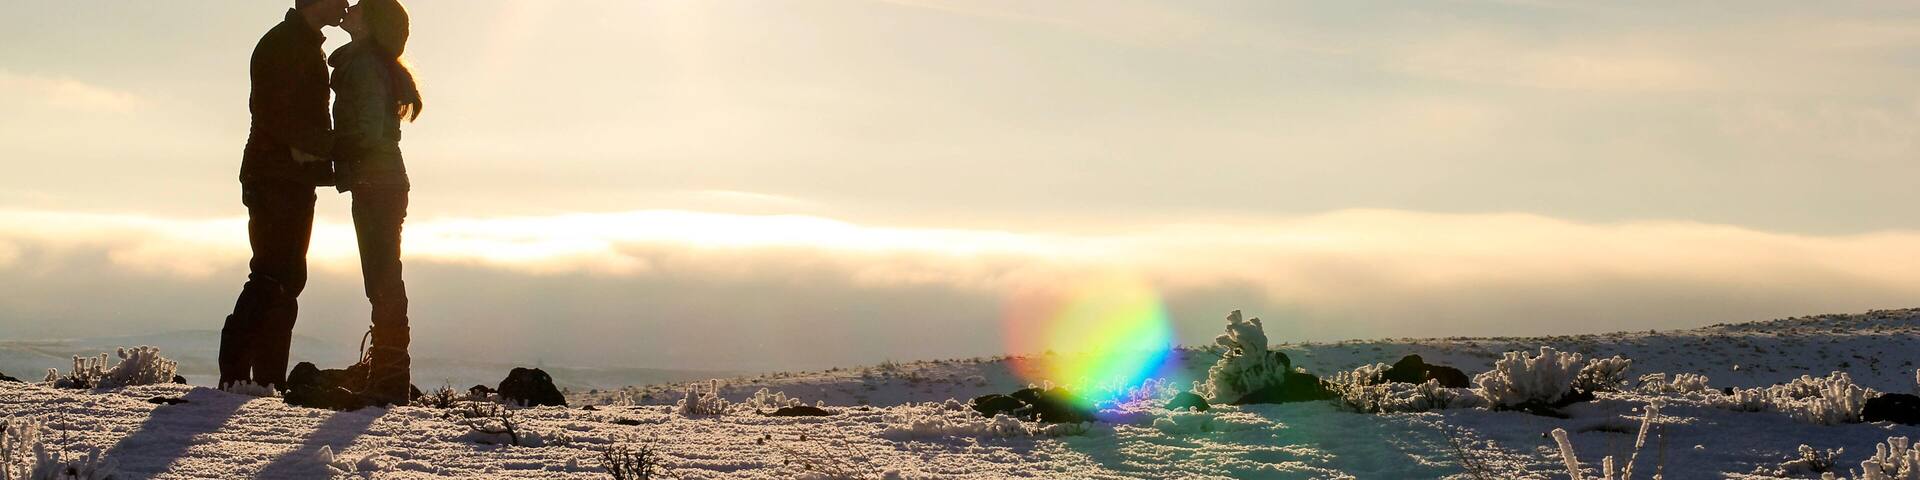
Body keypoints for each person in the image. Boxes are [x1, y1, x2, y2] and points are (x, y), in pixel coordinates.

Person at [220, 0, 349, 391]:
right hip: (274, 176)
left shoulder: (302, 44)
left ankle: (266, 379)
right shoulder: (283, 45)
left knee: (286, 277)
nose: (345, 4)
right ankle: (238, 372)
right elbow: (275, 115)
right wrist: (333, 147)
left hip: (288, 177)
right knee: (272, 274)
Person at [332, 0, 423, 405]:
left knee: (383, 278)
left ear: (369, 25)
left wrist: (321, 152)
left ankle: (389, 378)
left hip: (376, 182)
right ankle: (388, 373)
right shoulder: (369, 62)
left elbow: (365, 131)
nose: (348, 7)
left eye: (358, 6)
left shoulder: (366, 66)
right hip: (381, 181)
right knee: (384, 276)